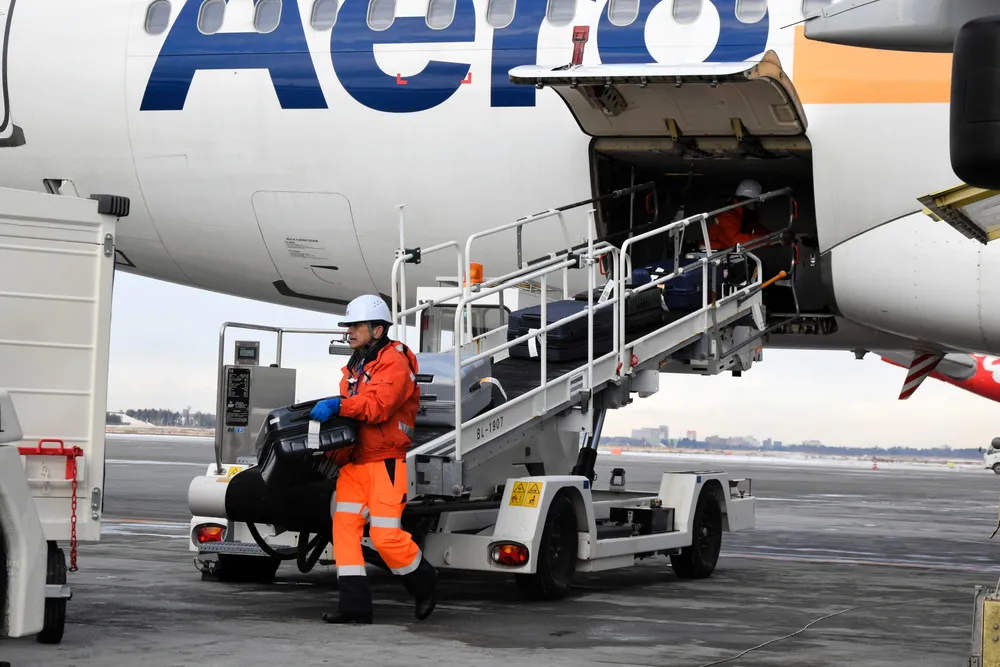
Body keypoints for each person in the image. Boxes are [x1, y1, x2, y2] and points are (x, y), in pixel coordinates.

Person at [309, 294, 438, 625]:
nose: (349, 331)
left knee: (385, 537)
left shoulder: (395, 364)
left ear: (378, 329)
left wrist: (338, 405)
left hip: (384, 463)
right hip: (354, 463)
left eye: (355, 325)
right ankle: (354, 607)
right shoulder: (358, 364)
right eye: (348, 325)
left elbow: (377, 407)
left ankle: (425, 583)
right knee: (344, 530)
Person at [703, 179, 770, 251]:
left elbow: (758, 229)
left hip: (726, 252)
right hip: (712, 253)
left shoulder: (744, 214)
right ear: (746, 201)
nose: (758, 206)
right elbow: (736, 241)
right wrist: (765, 240)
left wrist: (776, 238)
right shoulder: (726, 217)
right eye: (756, 203)